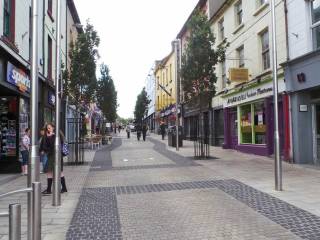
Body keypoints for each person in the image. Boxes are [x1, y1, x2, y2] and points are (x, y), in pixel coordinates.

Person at [42, 123, 67, 195]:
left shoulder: (56, 135)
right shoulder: (48, 135)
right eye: (47, 128)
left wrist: (50, 137)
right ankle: (49, 189)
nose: (48, 129)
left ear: (53, 127)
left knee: (59, 171)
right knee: (49, 172)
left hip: (56, 155)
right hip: (51, 156)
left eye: (49, 128)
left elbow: (55, 146)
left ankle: (63, 188)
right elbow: (45, 146)